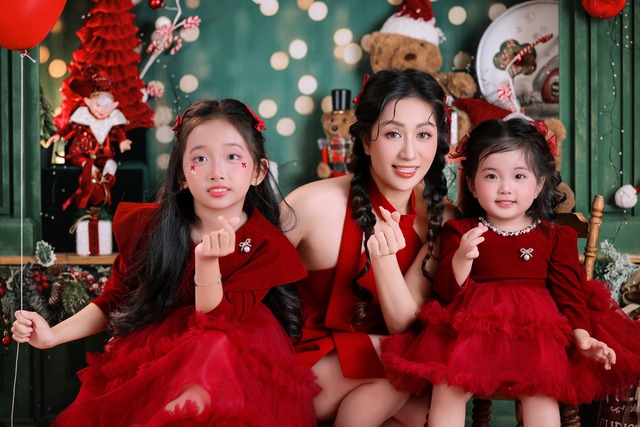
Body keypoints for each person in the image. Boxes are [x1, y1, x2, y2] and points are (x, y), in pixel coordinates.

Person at [12, 98, 319, 426]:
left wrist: (207, 262)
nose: (217, 172)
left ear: (258, 171)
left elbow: (214, 321)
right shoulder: (151, 228)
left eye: (233, 157)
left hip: (236, 360)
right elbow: (116, 299)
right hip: (160, 352)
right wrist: (52, 336)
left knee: (214, 348)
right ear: (182, 175)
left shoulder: (265, 245)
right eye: (200, 158)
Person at [381, 116, 640, 427]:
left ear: (539, 184)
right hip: (471, 335)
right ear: (472, 184)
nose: (505, 188)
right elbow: (446, 291)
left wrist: (583, 338)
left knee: (541, 389)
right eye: (491, 176)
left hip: (536, 337)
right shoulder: (460, 231)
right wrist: (462, 257)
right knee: (448, 386)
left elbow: (570, 293)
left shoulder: (554, 236)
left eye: (519, 176)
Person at [281, 68, 453, 426]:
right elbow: (245, 279)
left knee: (420, 410)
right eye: (393, 133)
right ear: (365, 140)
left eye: (424, 134)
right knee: (418, 360)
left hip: (387, 373)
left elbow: (403, 323)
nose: (409, 152)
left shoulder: (441, 218)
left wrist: (384, 260)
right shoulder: (312, 204)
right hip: (306, 372)